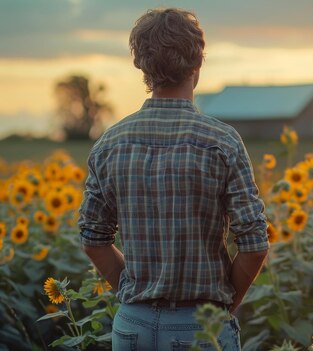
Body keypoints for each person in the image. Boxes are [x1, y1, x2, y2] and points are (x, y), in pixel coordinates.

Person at [78, 8, 269, 351]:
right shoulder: (222, 142)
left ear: (143, 69)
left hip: (131, 325)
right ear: (197, 66)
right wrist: (223, 307)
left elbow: (93, 239)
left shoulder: (110, 143)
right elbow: (254, 245)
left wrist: (133, 292)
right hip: (200, 325)